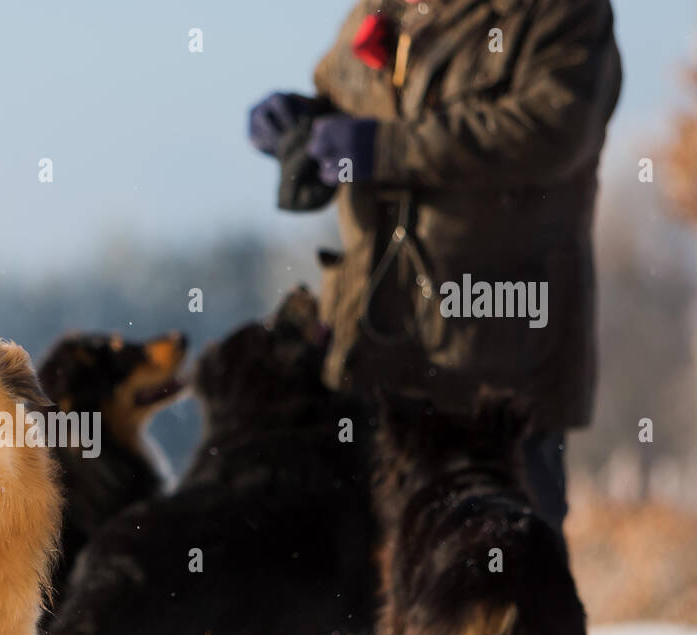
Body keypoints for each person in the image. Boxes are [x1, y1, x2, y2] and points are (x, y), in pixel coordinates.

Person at [248, 0, 621, 535]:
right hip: (371, 341)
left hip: (498, 351)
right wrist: (297, 123)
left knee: (506, 572)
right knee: (368, 582)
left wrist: (387, 149)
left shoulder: (559, 12)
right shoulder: (385, 7)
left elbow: (553, 130)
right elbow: (339, 94)